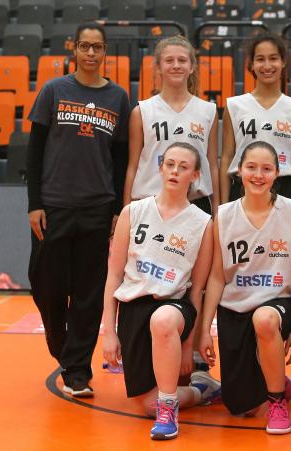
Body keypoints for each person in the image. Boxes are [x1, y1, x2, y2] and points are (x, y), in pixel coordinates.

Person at [27, 23, 130, 397]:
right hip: (54, 206)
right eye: (85, 46)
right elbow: (35, 150)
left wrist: (117, 208)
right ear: (74, 49)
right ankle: (64, 349)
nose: (90, 53)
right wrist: (34, 204)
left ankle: (77, 371)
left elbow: (121, 158)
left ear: (105, 52)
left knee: (88, 293)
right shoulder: (54, 90)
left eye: (97, 47)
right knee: (46, 286)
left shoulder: (118, 97)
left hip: (97, 207)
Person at [103, 142, 219, 440]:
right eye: (170, 164)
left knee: (163, 320)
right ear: (160, 168)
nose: (175, 171)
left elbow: (197, 288)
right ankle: (202, 390)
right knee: (146, 404)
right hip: (133, 310)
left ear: (195, 175)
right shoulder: (133, 211)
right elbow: (114, 275)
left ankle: (169, 410)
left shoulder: (203, 223)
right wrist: (109, 332)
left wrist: (189, 345)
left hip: (174, 307)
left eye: (183, 167)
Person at [199, 141, 291, 434]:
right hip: (235, 306)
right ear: (239, 171)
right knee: (242, 407)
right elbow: (217, 276)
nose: (258, 175)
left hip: (277, 303)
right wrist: (205, 328)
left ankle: (277, 402)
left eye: (266, 169)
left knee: (265, 320)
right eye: (251, 167)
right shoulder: (223, 215)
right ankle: (275, 377)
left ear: (277, 173)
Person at [124, 35, 219, 215]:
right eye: (169, 60)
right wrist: (126, 211)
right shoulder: (142, 111)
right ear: (158, 67)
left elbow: (213, 166)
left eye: (182, 60)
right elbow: (132, 167)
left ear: (192, 67)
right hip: (150, 203)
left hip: (195, 205)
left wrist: (216, 210)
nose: (176, 65)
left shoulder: (208, 111)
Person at [220, 33, 291, 203]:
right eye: (260, 59)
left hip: (285, 191)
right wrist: (223, 206)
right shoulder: (234, 106)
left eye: (273, 58)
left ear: (283, 61)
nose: (267, 65)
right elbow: (226, 159)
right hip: (243, 190)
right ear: (251, 64)